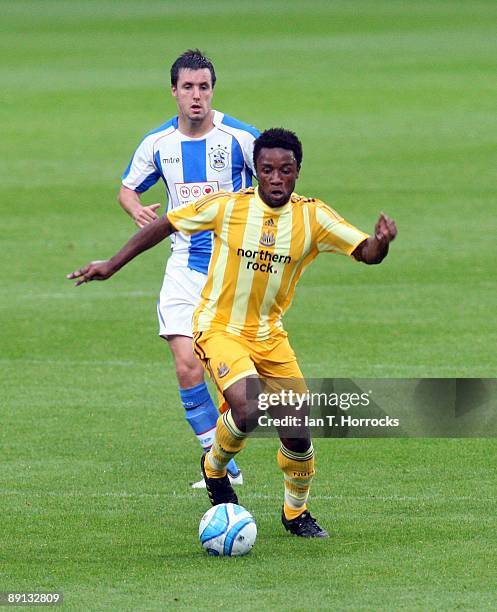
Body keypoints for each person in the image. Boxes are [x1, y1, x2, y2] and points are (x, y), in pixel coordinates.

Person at [68, 128, 397, 537]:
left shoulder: (313, 216)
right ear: (256, 171)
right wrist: (113, 264)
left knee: (297, 431)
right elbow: (167, 223)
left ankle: (295, 514)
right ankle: (214, 468)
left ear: (297, 172)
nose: (276, 178)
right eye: (267, 170)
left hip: (269, 335)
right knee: (247, 408)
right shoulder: (227, 206)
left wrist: (381, 243)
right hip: (218, 326)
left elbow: (365, 252)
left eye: (286, 170)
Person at [118, 49, 259, 487]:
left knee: (232, 377)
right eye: (188, 88)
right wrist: (138, 209)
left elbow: (279, 185)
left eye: (204, 87)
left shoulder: (240, 138)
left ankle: (231, 446)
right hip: (182, 265)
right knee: (185, 364)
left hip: (234, 271)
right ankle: (217, 461)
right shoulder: (157, 143)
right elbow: (126, 189)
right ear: (174, 91)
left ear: (212, 90)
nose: (196, 96)